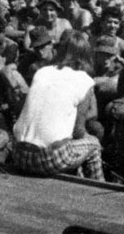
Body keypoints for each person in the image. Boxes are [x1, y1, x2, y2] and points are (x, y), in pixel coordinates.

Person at [12, 30, 104, 179]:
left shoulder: (42, 72)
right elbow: (78, 131)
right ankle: (99, 186)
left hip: (19, 154)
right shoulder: (85, 80)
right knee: (93, 144)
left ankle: (77, 180)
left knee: (70, 147)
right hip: (48, 159)